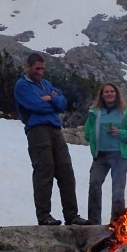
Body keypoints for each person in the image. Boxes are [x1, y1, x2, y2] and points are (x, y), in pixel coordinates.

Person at [13, 52, 90, 226]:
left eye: (42, 68)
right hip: (37, 130)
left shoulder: (46, 84)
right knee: (44, 171)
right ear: (28, 66)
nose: (40, 72)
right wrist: (53, 103)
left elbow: (62, 102)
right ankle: (44, 216)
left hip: (56, 129)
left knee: (66, 172)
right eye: (37, 68)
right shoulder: (22, 85)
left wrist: (52, 100)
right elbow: (35, 105)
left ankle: (72, 215)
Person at [84, 82, 127, 225]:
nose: (109, 94)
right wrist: (95, 137)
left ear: (116, 94)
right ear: (102, 95)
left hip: (119, 156)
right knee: (94, 184)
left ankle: (116, 223)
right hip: (100, 155)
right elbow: (87, 134)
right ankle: (94, 222)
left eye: (112, 91)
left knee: (118, 190)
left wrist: (119, 133)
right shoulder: (94, 113)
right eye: (106, 92)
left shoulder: (124, 113)